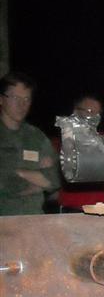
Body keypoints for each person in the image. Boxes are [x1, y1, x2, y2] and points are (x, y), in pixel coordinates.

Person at [0, 72, 58, 215]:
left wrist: (20, 172)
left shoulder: (36, 136)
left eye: (27, 99)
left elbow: (56, 179)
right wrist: (37, 179)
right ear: (1, 99)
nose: (22, 104)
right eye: (15, 98)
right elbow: (6, 183)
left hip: (32, 219)